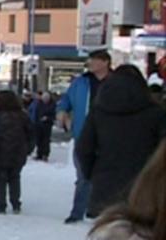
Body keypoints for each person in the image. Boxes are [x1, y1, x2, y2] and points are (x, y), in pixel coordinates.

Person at [76, 64, 166, 219]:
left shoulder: (98, 112)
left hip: (105, 186)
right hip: (144, 187)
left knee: (109, 238)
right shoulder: (156, 114)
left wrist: (93, 173)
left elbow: (84, 149)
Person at [57, 49, 112, 224]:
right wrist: (62, 111)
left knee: (107, 177)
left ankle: (101, 211)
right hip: (84, 134)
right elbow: (66, 100)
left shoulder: (117, 82)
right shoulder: (81, 83)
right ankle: (77, 212)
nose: (90, 64)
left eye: (94, 60)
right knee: (83, 176)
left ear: (105, 62)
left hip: (110, 136)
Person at [0, 90, 34, 214]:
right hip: (18, 152)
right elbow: (31, 133)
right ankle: (16, 204)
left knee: (0, 179)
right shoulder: (22, 115)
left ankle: (1, 204)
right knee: (15, 178)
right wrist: (28, 149)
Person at [29, 91, 56, 161]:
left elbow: (54, 115)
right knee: (38, 139)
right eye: (44, 99)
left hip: (47, 125)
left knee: (46, 140)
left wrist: (47, 118)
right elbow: (35, 112)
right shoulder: (39, 103)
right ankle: (39, 154)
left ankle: (45, 154)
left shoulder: (52, 104)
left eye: (46, 99)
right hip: (38, 124)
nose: (45, 100)